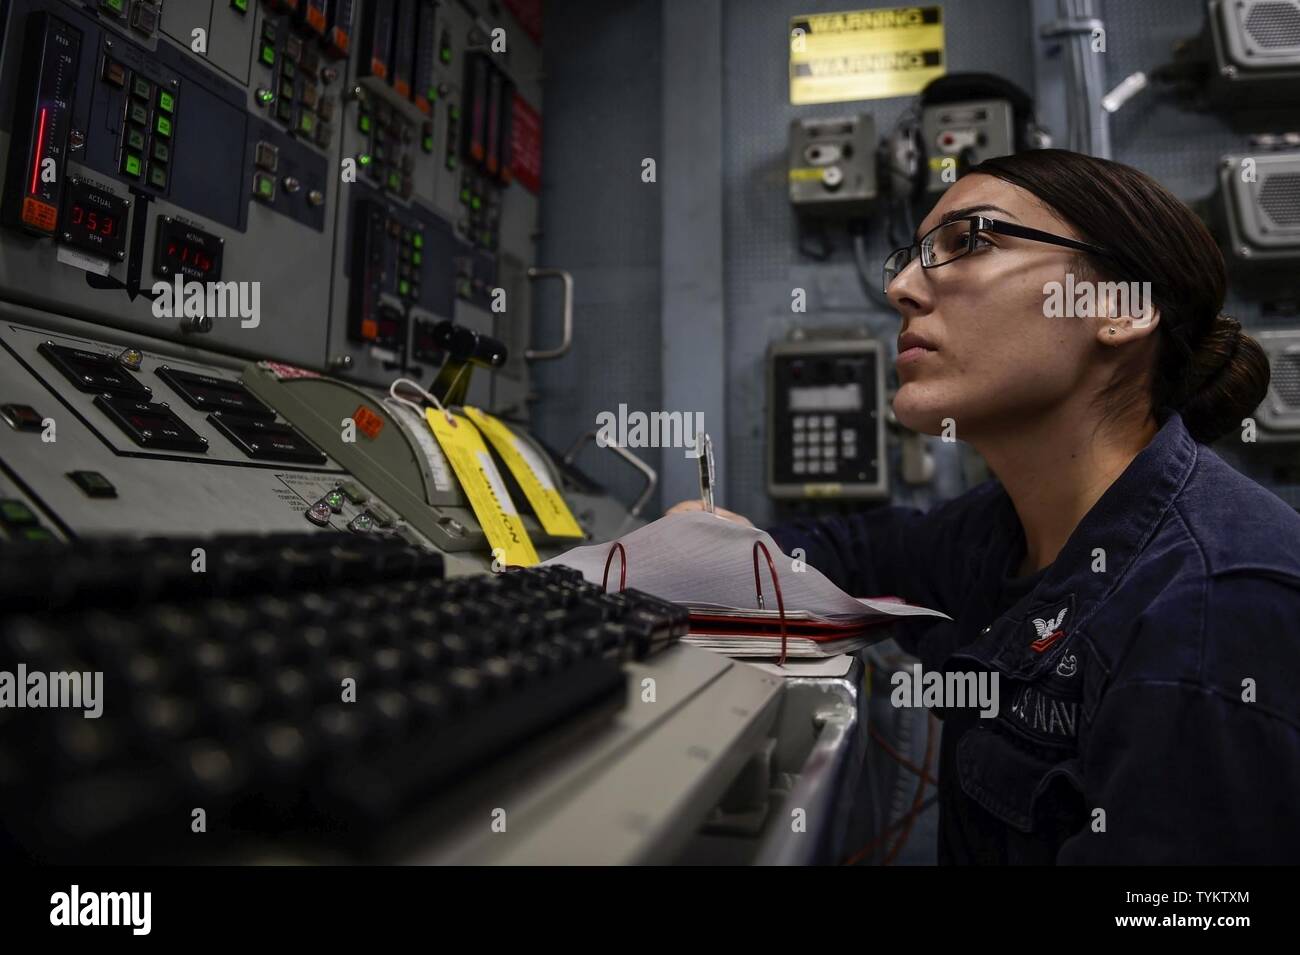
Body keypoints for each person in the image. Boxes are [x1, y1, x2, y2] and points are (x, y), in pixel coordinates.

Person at [670, 149, 1300, 863]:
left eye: (969, 241)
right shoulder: (1000, 529)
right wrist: (722, 545)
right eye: (911, 257)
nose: (903, 288)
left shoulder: (1212, 607)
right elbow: (854, 550)